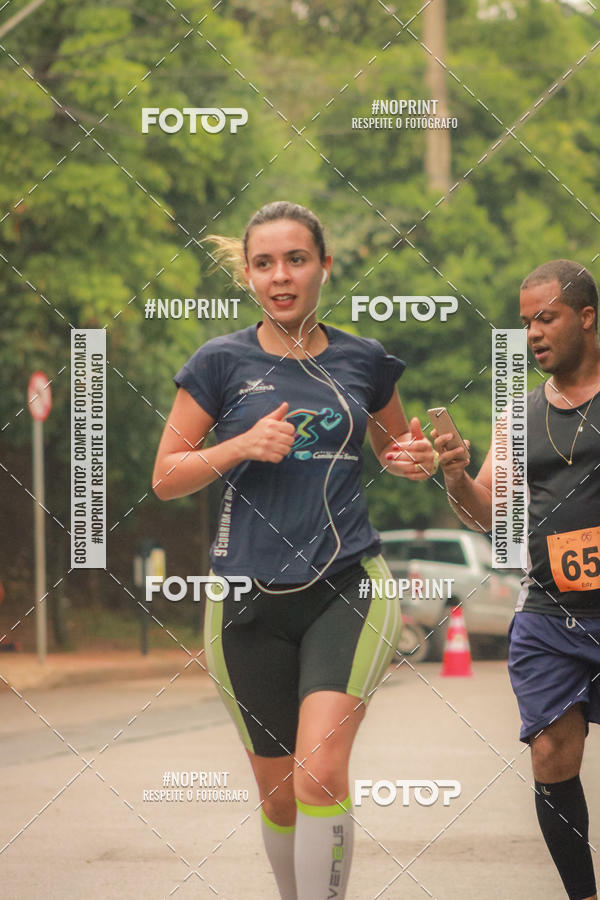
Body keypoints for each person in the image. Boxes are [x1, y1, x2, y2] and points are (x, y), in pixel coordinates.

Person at [152, 201, 435, 899]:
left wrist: (422, 458)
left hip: (347, 586)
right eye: (265, 263)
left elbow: (400, 449)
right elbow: (165, 477)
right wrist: (241, 445)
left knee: (318, 771)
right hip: (246, 597)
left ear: (323, 266)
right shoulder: (220, 363)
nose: (282, 276)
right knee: (279, 795)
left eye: (297, 260)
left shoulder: (364, 361)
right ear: (249, 275)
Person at [433, 259, 599, 900]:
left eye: (546, 317)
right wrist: (454, 476)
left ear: (586, 317)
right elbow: (492, 517)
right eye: (526, 321)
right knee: (552, 755)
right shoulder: (519, 417)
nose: (532, 333)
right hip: (552, 613)